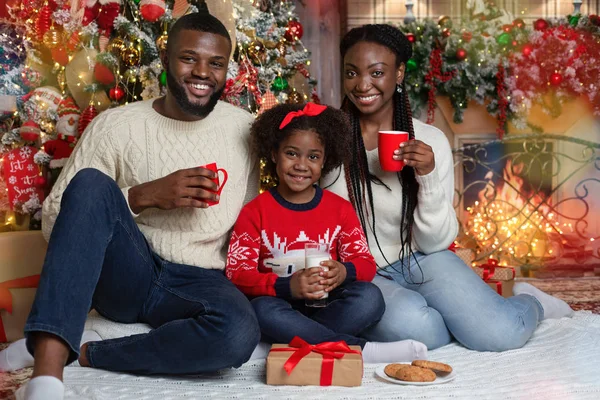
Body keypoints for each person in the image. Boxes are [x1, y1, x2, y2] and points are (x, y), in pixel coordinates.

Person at [10, 11, 261, 400]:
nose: (202, 72)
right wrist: (143, 196)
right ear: (165, 58)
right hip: (130, 271)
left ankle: (92, 351)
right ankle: (46, 377)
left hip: (201, 282)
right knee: (92, 182)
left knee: (239, 332)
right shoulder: (116, 125)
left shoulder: (245, 128)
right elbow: (56, 217)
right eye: (189, 58)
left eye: (216, 63)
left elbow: (251, 221)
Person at [321, 24, 573, 352]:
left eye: (377, 72)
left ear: (398, 74)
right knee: (420, 331)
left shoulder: (430, 141)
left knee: (500, 334)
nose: (363, 84)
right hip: (360, 273)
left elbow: (436, 241)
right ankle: (466, 317)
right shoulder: (326, 141)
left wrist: (425, 176)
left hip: (421, 258)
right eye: (352, 73)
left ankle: (532, 303)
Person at [225, 102, 427, 364]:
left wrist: (344, 272)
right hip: (280, 305)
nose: (301, 165)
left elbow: (365, 263)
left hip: (328, 306)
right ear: (274, 154)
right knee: (261, 310)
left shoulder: (339, 209)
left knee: (370, 298)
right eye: (291, 153)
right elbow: (237, 274)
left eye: (313, 157)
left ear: (324, 161)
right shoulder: (255, 212)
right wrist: (287, 286)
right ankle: (361, 350)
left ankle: (288, 341)